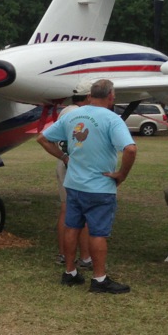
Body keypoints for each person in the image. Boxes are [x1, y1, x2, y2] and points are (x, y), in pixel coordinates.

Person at [36, 79, 136, 294]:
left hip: (73, 184)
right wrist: (122, 175)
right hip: (100, 186)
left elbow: (42, 138)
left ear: (90, 96)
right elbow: (130, 149)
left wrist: (64, 157)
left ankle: (70, 272)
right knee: (98, 233)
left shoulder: (72, 115)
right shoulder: (112, 119)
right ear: (111, 97)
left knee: (72, 227)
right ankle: (99, 279)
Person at [54, 94, 92, 269]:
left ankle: (64, 255)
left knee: (66, 209)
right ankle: (85, 257)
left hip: (65, 162)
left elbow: (48, 138)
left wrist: (62, 157)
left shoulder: (66, 112)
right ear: (88, 97)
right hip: (75, 164)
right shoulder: (80, 114)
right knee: (82, 211)